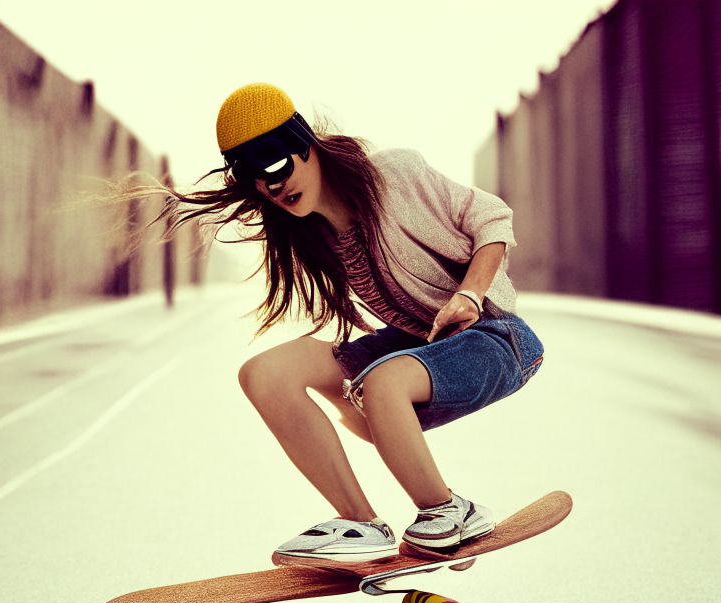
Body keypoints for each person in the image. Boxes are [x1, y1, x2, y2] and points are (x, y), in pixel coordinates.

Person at [146, 82, 544, 563]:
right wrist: (354, 399)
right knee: (265, 373)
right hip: (422, 346)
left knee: (381, 383)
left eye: (276, 165)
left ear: (306, 144)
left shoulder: (395, 174)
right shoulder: (310, 232)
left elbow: (492, 216)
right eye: (257, 179)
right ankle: (361, 524)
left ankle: (449, 511)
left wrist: (469, 293)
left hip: (498, 339)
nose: (274, 188)